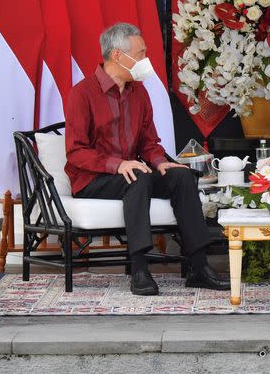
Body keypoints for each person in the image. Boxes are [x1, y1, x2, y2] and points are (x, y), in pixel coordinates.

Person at [65, 22, 229, 295]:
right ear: (118, 55)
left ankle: (199, 266)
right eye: (140, 53)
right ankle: (139, 269)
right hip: (93, 179)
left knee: (180, 176)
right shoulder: (82, 94)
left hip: (133, 175)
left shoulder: (138, 92)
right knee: (137, 176)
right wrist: (117, 165)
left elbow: (149, 142)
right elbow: (76, 152)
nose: (145, 59)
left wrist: (158, 161)